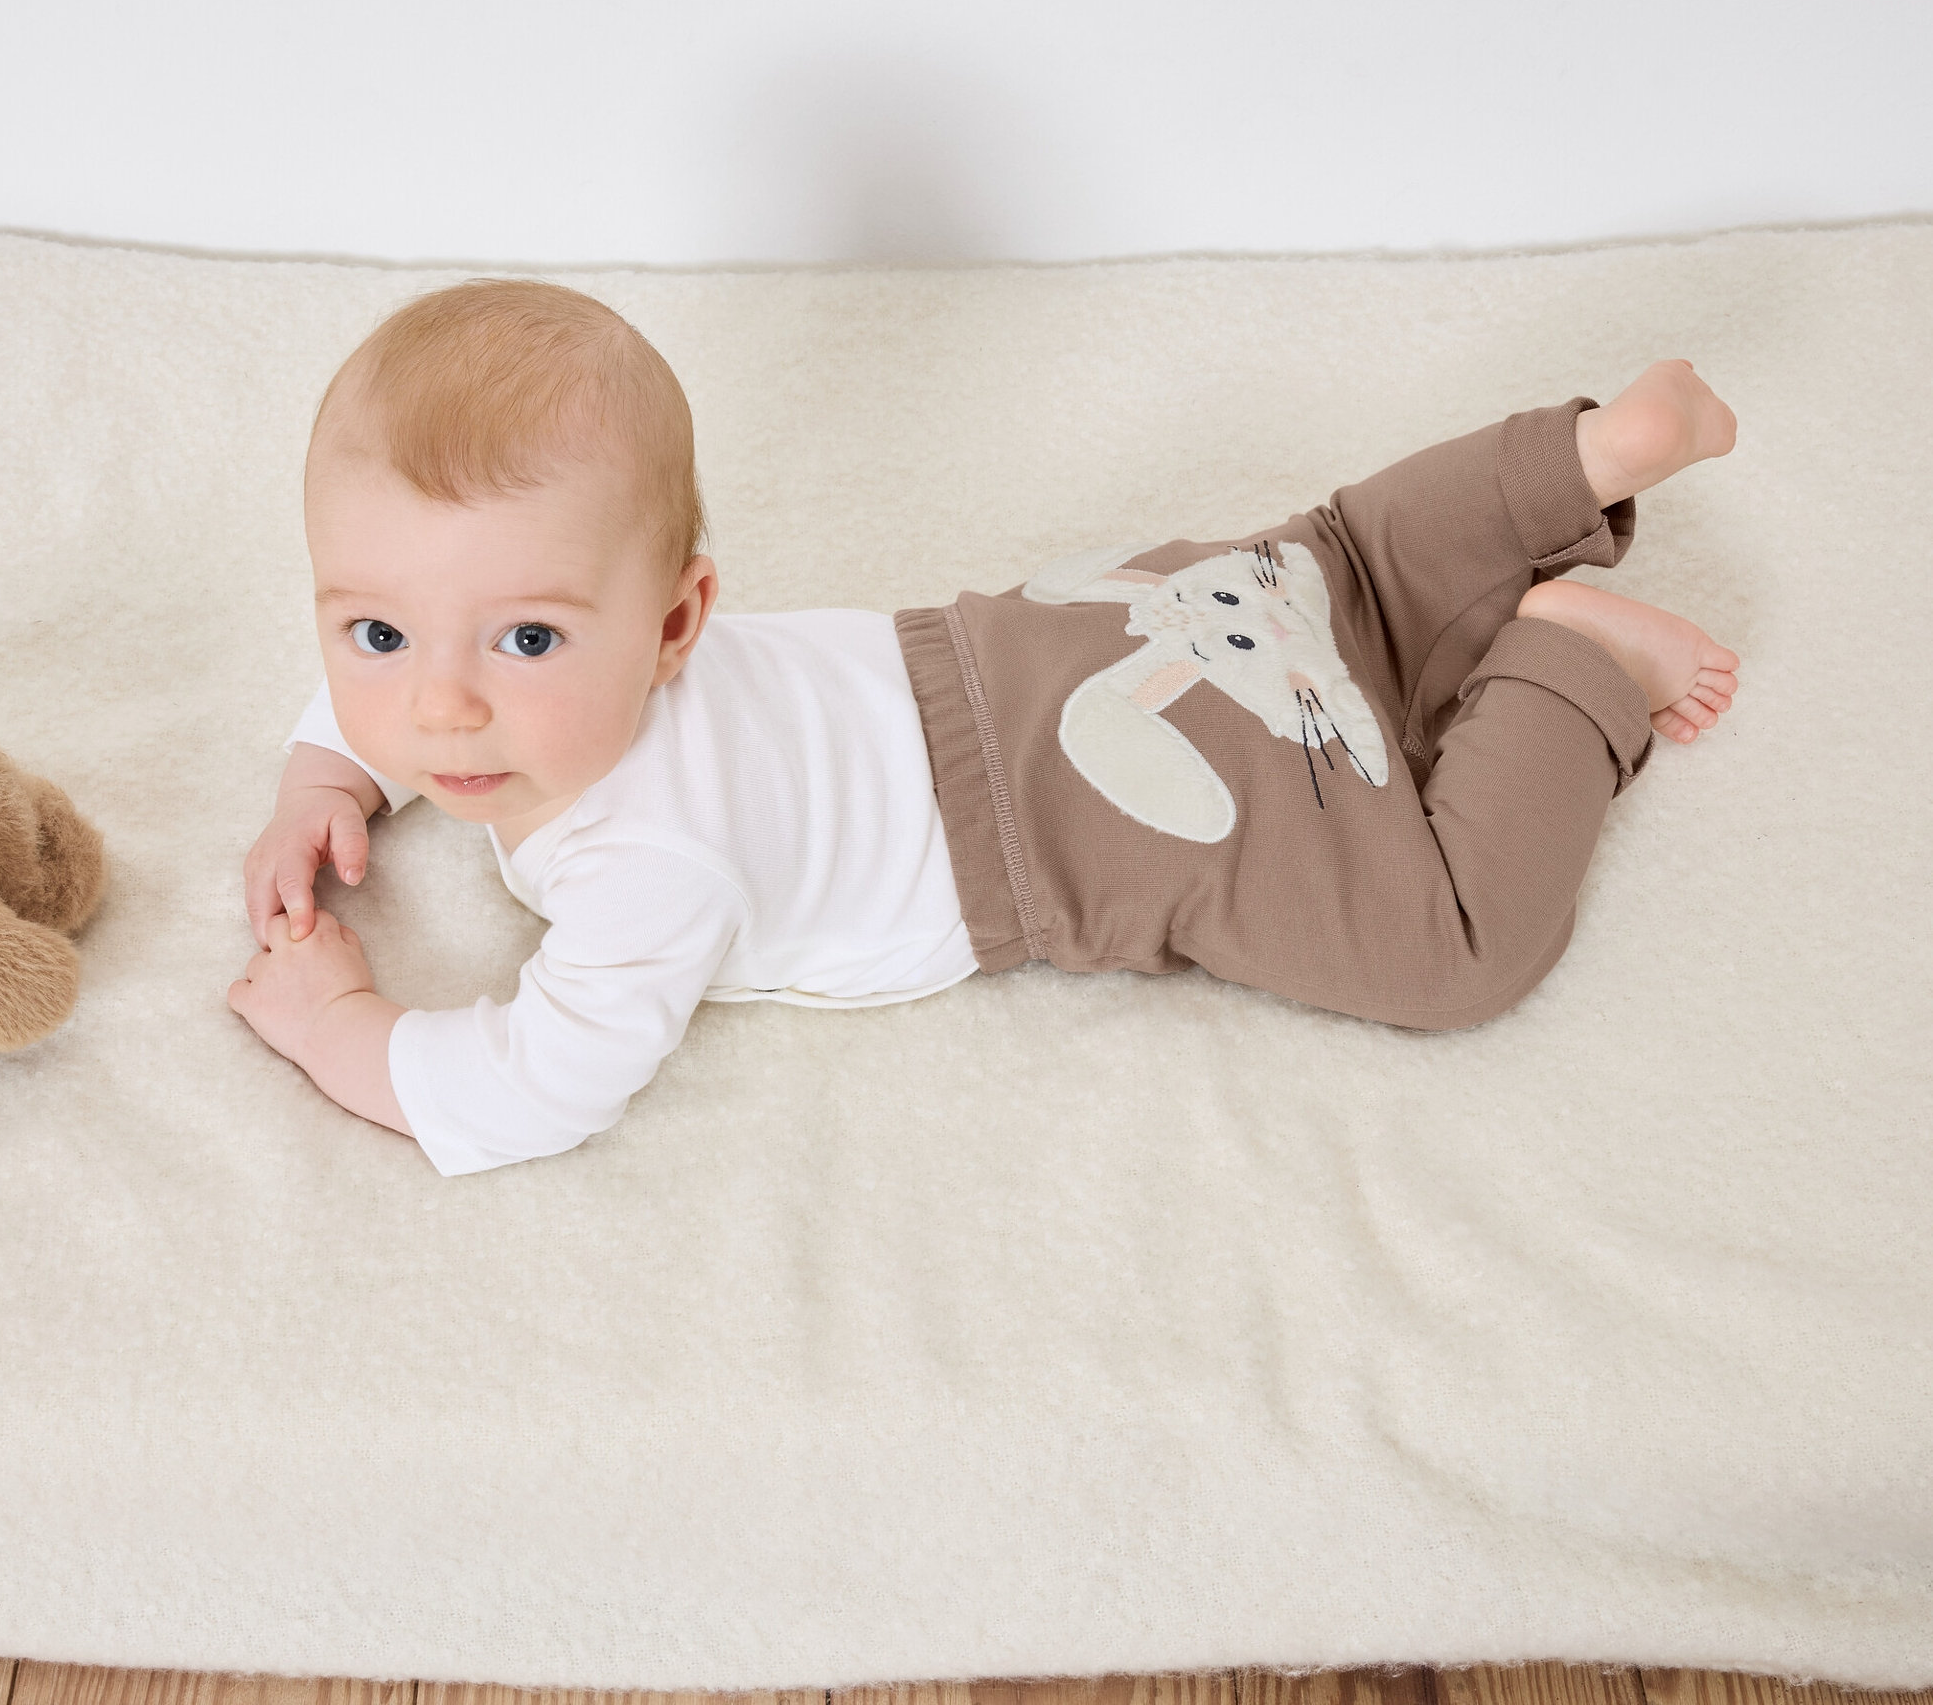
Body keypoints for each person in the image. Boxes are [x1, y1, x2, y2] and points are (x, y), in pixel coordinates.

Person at [227, 279, 1739, 1175]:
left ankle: (1571, 657)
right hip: (1064, 624)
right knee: (1322, 568)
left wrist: (337, 1026)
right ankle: (1574, 457)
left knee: (1442, 945)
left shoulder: (647, 867)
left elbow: (527, 1089)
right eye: (371, 635)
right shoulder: (506, 682)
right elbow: (413, 695)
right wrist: (325, 762)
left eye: (527, 638)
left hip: (1092, 809)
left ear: (677, 622)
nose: (436, 706)